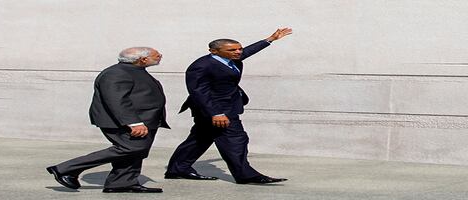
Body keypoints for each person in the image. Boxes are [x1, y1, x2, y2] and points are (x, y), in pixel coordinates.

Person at [165, 28, 292, 184]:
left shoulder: (230, 59)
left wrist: (269, 39)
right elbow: (198, 91)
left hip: (224, 107)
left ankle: (178, 169)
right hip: (217, 110)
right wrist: (216, 113)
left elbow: (247, 52)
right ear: (214, 51)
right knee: (236, 140)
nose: (238, 52)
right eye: (232, 50)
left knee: (200, 139)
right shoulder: (202, 66)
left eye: (239, 48)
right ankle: (246, 175)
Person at [46, 47, 168, 194]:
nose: (160, 56)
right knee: (131, 148)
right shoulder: (116, 73)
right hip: (125, 122)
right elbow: (116, 100)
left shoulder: (135, 71)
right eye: (156, 54)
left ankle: (121, 183)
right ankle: (65, 169)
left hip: (145, 120)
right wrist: (133, 122)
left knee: (135, 152)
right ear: (142, 59)